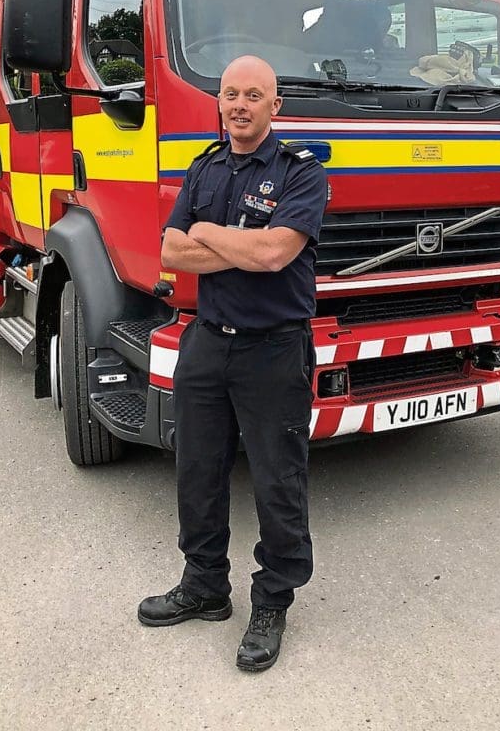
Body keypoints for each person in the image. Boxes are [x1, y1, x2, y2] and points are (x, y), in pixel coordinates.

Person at [137, 55, 328, 673]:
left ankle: (272, 601)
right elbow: (171, 250)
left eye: (253, 95)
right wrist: (235, 242)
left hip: (273, 348)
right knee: (197, 471)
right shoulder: (204, 166)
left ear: (275, 106)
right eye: (229, 95)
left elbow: (275, 254)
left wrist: (209, 231)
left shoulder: (302, 174)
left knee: (277, 480)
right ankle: (204, 586)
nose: (239, 104)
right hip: (206, 343)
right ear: (218, 104)